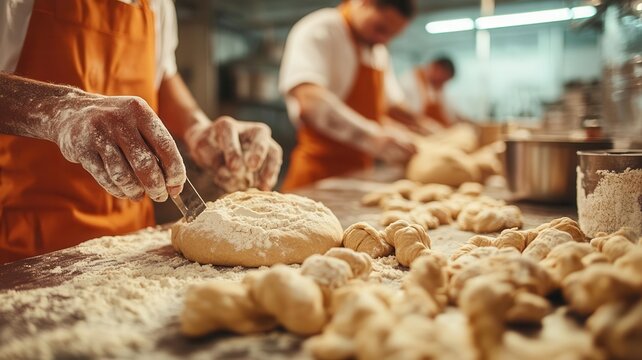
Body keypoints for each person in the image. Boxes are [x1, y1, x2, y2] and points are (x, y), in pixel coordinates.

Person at [0, 0, 283, 264]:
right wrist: (60, 109)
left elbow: (162, 77)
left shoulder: (157, 4)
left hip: (130, 246)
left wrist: (197, 127)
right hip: (26, 244)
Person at [279, 0, 430, 191]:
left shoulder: (377, 50)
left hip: (360, 174)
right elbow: (309, 99)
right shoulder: (321, 29)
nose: (383, 40)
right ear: (364, 3)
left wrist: (423, 127)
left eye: (391, 35)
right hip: (317, 175)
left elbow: (391, 106)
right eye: (380, 28)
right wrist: (371, 137)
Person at [400, 56, 460, 128]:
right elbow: (404, 111)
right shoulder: (410, 80)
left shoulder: (438, 88)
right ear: (434, 66)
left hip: (433, 130)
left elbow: (450, 113)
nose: (442, 83)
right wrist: (424, 123)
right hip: (411, 127)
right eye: (442, 78)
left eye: (445, 80)